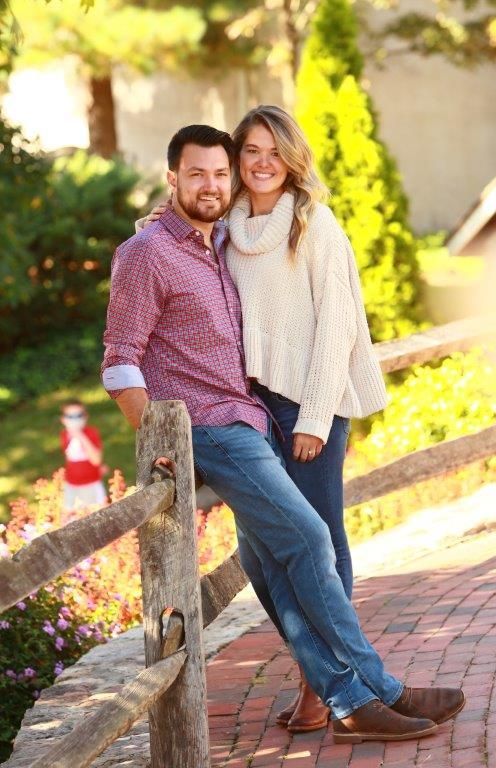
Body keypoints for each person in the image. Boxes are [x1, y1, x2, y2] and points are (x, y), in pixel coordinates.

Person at [102, 124, 464, 744]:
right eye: (198, 173)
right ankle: (379, 689)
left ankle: (346, 695)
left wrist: (316, 415)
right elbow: (119, 358)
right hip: (211, 426)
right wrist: (159, 442)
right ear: (173, 178)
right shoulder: (148, 252)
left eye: (220, 173)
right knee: (306, 537)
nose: (213, 184)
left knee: (276, 555)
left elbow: (327, 324)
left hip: (255, 416)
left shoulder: (221, 239)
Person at [138, 104, 386, 732]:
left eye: (275, 150)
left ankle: (325, 688)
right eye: (251, 151)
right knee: (264, 554)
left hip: (308, 404)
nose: (264, 162)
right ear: (238, 160)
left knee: (320, 539)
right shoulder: (226, 229)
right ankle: (330, 676)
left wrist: (316, 415)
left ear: (292, 157)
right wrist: (150, 224)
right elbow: (177, 248)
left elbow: (336, 327)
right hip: (249, 407)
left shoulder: (314, 223)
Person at [60, 399, 107, 513]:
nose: (74, 420)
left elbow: (96, 460)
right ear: (63, 420)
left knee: (95, 514)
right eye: (70, 417)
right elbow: (70, 457)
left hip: (90, 482)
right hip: (72, 482)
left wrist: (80, 436)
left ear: (85, 417)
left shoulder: (91, 433)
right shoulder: (65, 435)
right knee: (71, 514)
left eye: (78, 416)